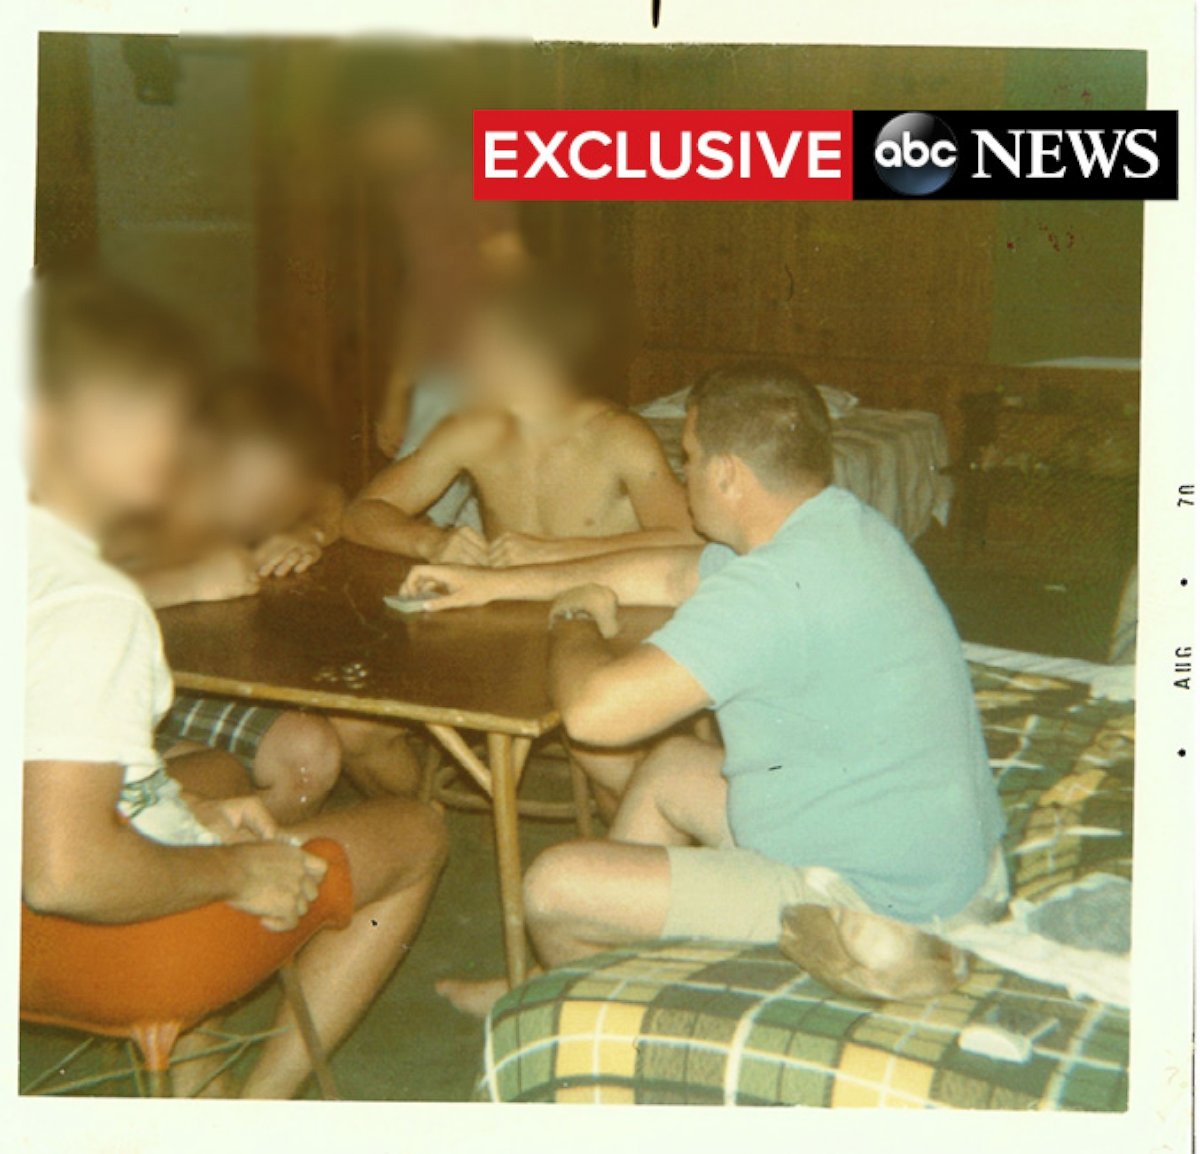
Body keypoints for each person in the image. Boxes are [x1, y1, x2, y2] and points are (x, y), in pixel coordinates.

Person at [399, 363, 1008, 1017]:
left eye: (688, 457)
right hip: (930, 861)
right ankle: (564, 974)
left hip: (883, 910)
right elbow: (665, 574)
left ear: (728, 475)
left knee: (553, 885)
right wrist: (494, 585)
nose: (682, 474)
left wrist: (573, 616)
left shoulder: (772, 589)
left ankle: (594, 1022)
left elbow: (593, 714)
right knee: (667, 769)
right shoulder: (834, 528)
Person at [23, 273, 448, 1096]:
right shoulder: (86, 605)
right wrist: (238, 869)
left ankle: (202, 1083)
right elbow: (64, 872)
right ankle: (253, 1117)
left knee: (233, 777)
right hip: (101, 946)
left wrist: (200, 816)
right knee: (419, 831)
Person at [106, 367, 351, 822]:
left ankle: (248, 872)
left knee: (308, 751)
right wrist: (187, 583)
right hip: (77, 706)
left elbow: (325, 495)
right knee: (216, 776)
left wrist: (304, 531)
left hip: (169, 688)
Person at [343, 272, 696, 569]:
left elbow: (688, 538)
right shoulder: (470, 432)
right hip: (503, 612)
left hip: (598, 614)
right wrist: (430, 543)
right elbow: (362, 514)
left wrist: (555, 552)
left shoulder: (618, 436)